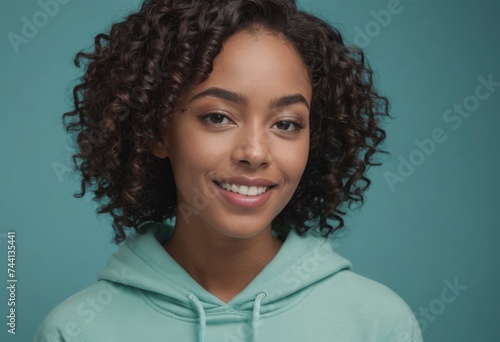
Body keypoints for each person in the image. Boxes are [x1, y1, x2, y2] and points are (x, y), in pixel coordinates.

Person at [35, 0, 422, 341]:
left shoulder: (378, 326)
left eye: (286, 123)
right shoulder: (76, 331)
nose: (254, 152)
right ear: (156, 131)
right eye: (218, 117)